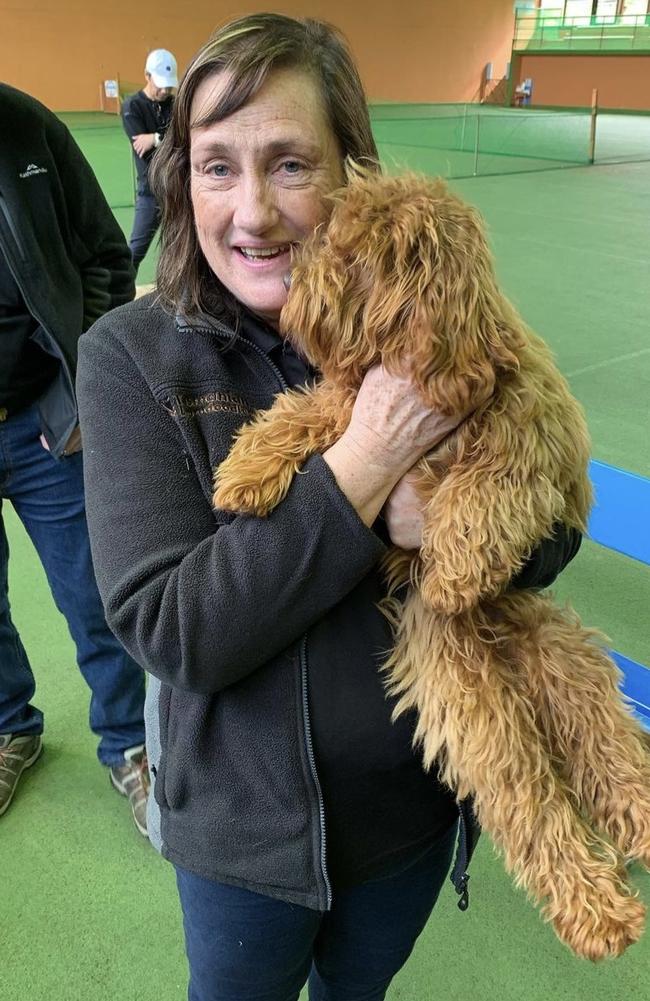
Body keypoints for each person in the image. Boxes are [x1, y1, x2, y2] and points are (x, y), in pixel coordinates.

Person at [77, 14, 582, 1000]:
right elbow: (175, 627)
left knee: (360, 989)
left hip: (406, 811)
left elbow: (552, 527)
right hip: (238, 838)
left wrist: (464, 526)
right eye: (217, 166)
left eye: (291, 164)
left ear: (354, 170)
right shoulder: (132, 356)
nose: (252, 210)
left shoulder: (430, 317)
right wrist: (359, 475)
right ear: (182, 181)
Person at [0, 83, 150, 837]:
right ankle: (8, 728)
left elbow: (102, 254)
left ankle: (132, 743)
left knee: (94, 592)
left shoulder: (28, 129)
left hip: (41, 420)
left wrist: (83, 382)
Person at [121, 48, 177, 272]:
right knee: (135, 252)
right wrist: (169, 139)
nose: (165, 90)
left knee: (184, 249)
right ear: (147, 76)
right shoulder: (132, 106)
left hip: (177, 188)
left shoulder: (175, 104)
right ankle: (119, 301)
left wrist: (154, 138)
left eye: (169, 85)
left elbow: (186, 137)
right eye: (160, 84)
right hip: (150, 191)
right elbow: (140, 146)